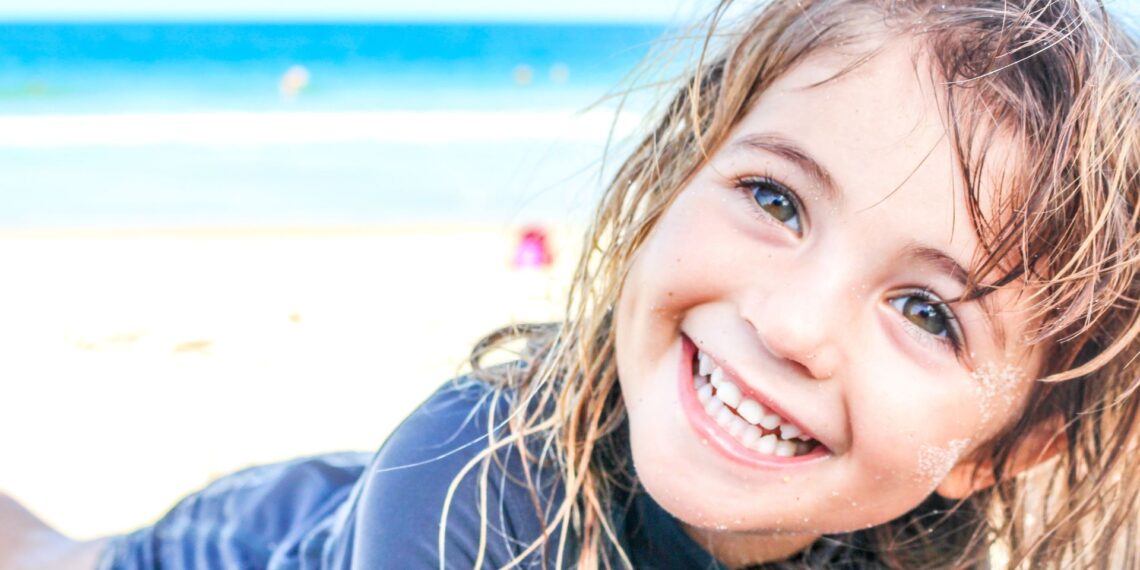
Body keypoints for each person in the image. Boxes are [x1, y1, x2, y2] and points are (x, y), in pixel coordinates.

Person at [4, 0, 1140, 567]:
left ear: (1010, 445)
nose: (793, 323)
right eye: (775, 199)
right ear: (681, 170)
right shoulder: (466, 492)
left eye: (927, 312)